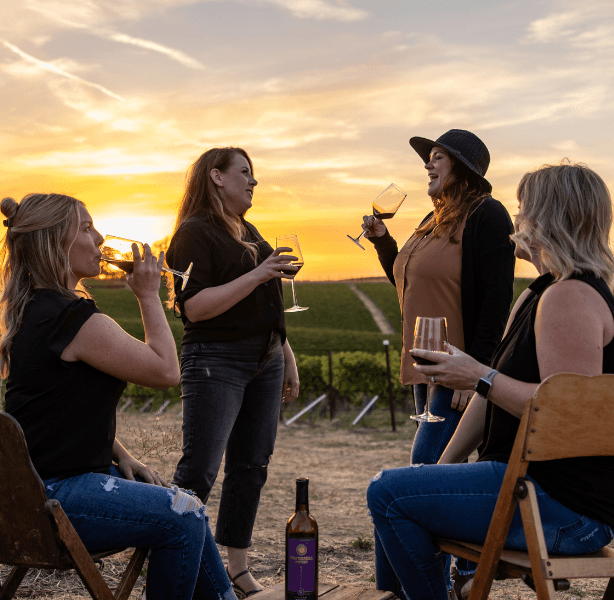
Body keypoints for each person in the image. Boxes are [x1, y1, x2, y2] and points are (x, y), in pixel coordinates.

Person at [367, 162, 614, 600]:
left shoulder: (570, 297)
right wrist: (440, 469)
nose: (516, 220)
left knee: (387, 494)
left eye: (525, 208)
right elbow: (488, 394)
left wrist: (479, 373)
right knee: (402, 486)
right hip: (525, 492)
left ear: (549, 219)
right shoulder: (538, 293)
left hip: (557, 508)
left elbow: (567, 417)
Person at [0, 193, 237, 600]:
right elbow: (166, 371)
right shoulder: (70, 318)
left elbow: (55, 412)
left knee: (187, 505)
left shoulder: (35, 310)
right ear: (56, 241)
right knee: (181, 517)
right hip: (56, 495)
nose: (100, 237)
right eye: (88, 228)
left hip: (29, 492)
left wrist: (122, 453)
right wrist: (148, 294)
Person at [362, 129, 515, 597]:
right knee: (431, 477)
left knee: (420, 480)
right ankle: (457, 577)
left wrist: (480, 373)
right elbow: (409, 283)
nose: (427, 165)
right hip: (424, 369)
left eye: (437, 158)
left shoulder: (486, 216)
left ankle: (430, 586)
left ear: (462, 169)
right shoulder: (434, 218)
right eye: (428, 158)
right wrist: (385, 242)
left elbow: (495, 297)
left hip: (458, 370)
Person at [166, 147, 300, 597]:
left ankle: (236, 570)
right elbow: (195, 308)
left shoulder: (249, 230)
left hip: (266, 360)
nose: (253, 182)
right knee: (200, 468)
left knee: (251, 464)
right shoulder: (193, 233)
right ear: (217, 177)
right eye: (245, 173)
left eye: (254, 175)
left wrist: (286, 355)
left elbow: (269, 305)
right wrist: (260, 273)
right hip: (215, 359)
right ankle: (176, 563)